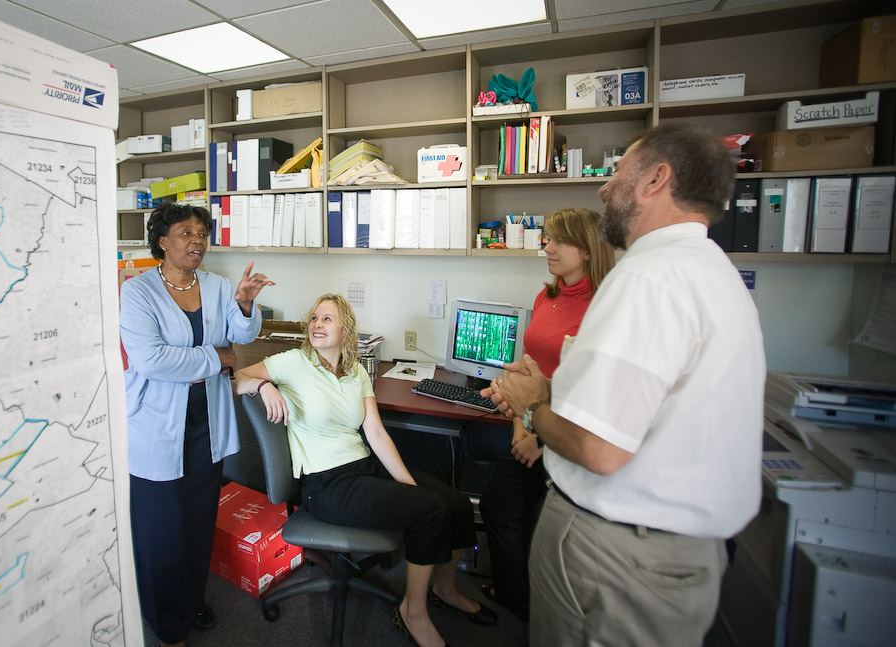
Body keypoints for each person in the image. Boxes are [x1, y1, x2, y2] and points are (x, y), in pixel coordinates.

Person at [484, 123, 765, 646]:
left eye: (616, 173)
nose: (602, 186)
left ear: (656, 179)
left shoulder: (647, 276)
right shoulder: (712, 268)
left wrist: (532, 408)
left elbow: (598, 448)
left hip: (617, 555)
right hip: (674, 553)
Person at [234, 294, 495, 647]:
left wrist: (409, 486)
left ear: (346, 330)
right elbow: (237, 379)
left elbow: (375, 432)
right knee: (429, 511)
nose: (317, 324)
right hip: (325, 484)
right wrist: (264, 386)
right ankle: (412, 613)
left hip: (363, 467)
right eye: (314, 318)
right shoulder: (294, 362)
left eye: (327, 319)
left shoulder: (356, 371)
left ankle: (444, 590)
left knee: (455, 503)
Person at [120, 202, 274, 647]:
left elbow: (241, 337)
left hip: (205, 424)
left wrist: (244, 305)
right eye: (185, 233)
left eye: (202, 233)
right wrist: (217, 358)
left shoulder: (218, 285)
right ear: (162, 242)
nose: (196, 241)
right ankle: (166, 624)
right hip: (156, 427)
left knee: (196, 524)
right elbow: (151, 360)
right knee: (161, 533)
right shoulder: (139, 292)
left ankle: (187, 601)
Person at [478, 207, 615, 623]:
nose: (547, 246)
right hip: (531, 425)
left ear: (588, 250)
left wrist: (541, 436)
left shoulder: (606, 305)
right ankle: (515, 596)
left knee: (539, 523)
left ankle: (530, 603)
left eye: (558, 240)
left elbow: (597, 390)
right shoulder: (547, 296)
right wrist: (523, 426)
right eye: (548, 238)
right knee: (497, 505)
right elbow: (528, 368)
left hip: (566, 435)